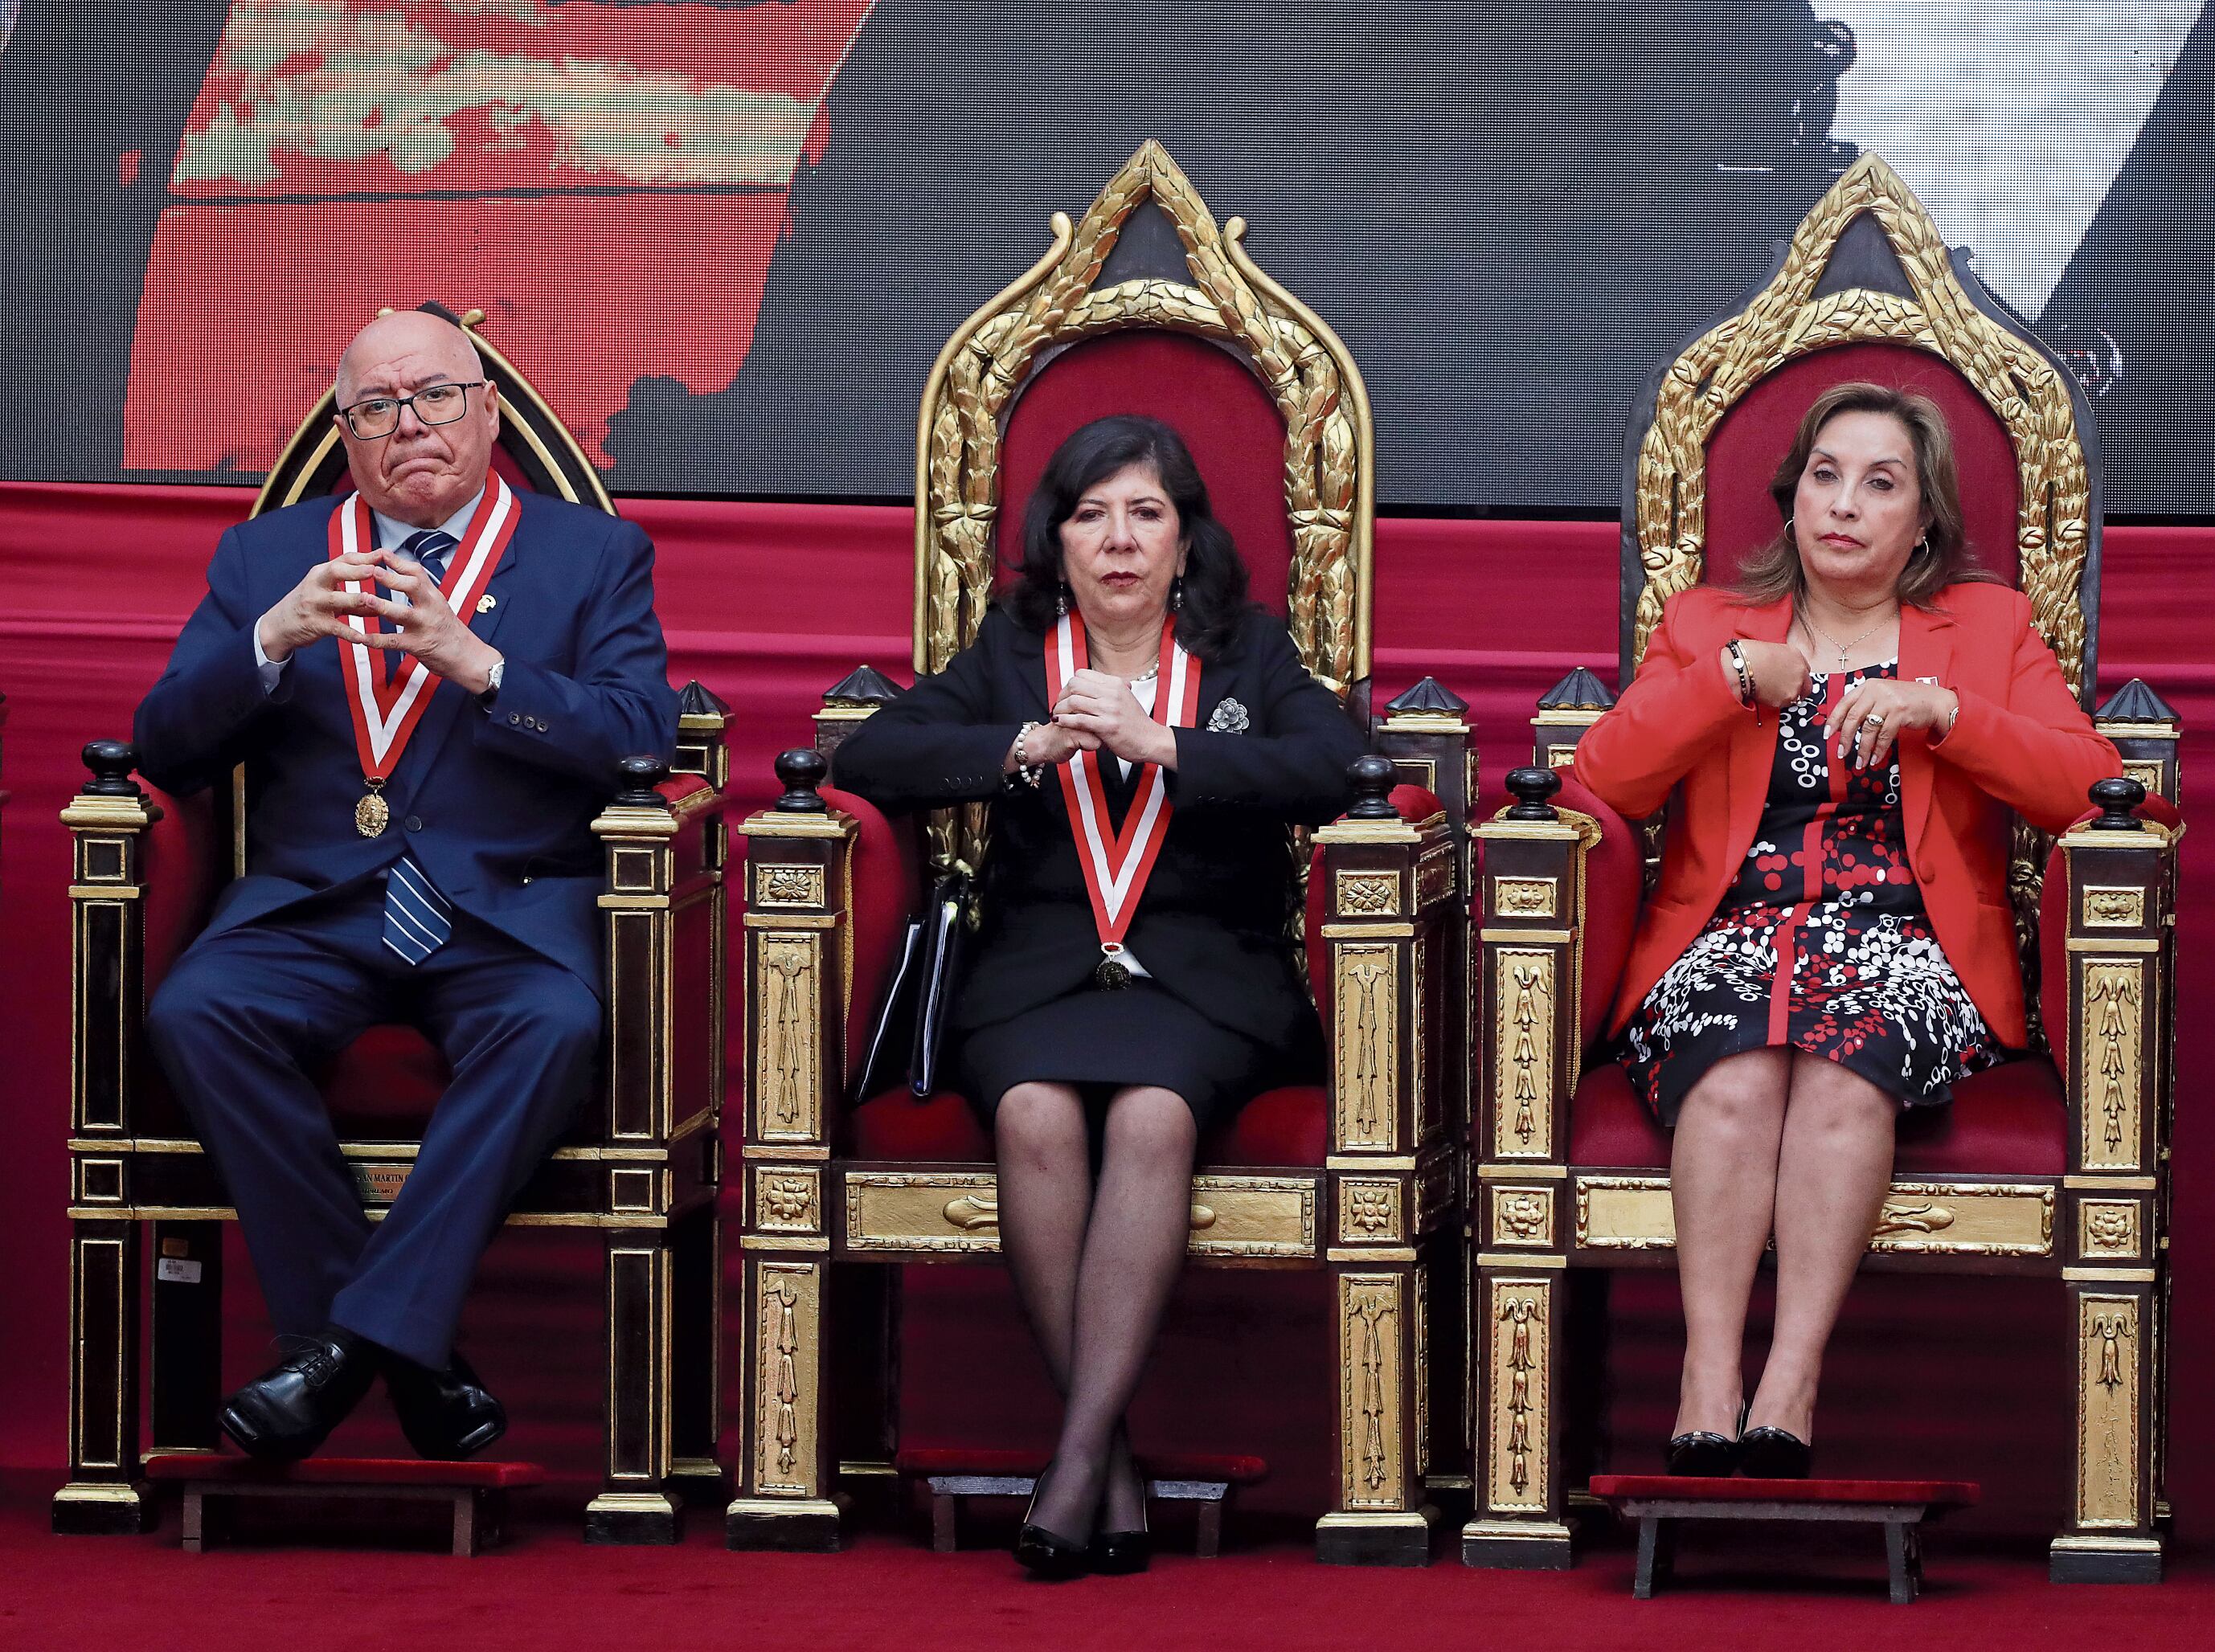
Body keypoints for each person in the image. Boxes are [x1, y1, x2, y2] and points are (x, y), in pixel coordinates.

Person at [137, 308, 678, 1462]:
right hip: (316, 908)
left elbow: (645, 737)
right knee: (195, 1009)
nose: (410, 426)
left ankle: (336, 1353)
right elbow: (166, 748)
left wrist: (482, 668)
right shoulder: (267, 558)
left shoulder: (591, 556)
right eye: (376, 408)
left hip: (505, 910)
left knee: (553, 1024)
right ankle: (398, 1350)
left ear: (488, 413)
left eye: (435, 396)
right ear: (347, 437)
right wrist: (270, 645)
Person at [832, 415, 1363, 1574]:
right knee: (1029, 1111)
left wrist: (1170, 745)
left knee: (1153, 1113)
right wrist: (1022, 744)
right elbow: (867, 759)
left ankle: (1074, 1466)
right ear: (1056, 539)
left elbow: (1343, 766)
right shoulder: (1013, 652)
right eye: (1091, 514)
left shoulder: (1247, 653)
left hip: (1205, 983)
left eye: (1146, 513)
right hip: (1035, 976)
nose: (1118, 541)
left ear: (1185, 539)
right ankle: (1104, 1462)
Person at [1573, 381, 2119, 1477]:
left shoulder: (1988, 629)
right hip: (1729, 934)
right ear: (1791, 499)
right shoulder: (1710, 625)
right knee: (1731, 1074)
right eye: (1825, 476)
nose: (1845, 504)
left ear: (1924, 522)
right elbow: (1606, 781)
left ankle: (1793, 1376)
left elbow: (2095, 791)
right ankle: (1709, 1374)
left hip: (1904, 943)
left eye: (1881, 485)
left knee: (1839, 1072)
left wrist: (1948, 715)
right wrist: (1734, 683)